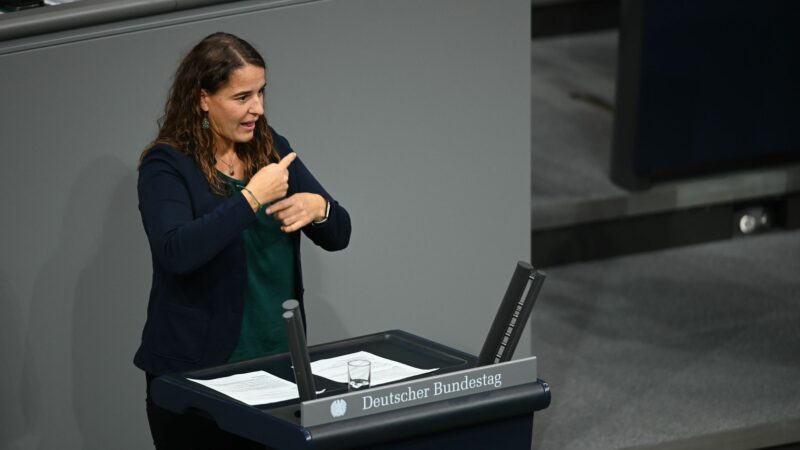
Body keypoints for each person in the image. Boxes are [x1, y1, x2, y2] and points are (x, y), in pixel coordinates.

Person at [134, 32, 351, 449]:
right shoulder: (166, 164)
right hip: (198, 375)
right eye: (242, 97)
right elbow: (176, 252)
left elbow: (339, 233)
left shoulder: (271, 148)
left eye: (261, 92)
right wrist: (252, 198)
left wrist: (318, 208)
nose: (258, 108)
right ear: (203, 98)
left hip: (280, 367)